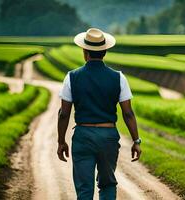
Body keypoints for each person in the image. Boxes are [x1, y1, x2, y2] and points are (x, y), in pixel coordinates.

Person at [56, 28, 142, 200]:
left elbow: (63, 114)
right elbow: (128, 113)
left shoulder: (71, 77)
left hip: (83, 136)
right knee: (108, 184)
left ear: (84, 51)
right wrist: (136, 141)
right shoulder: (119, 78)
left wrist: (61, 141)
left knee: (84, 189)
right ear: (105, 51)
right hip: (108, 136)